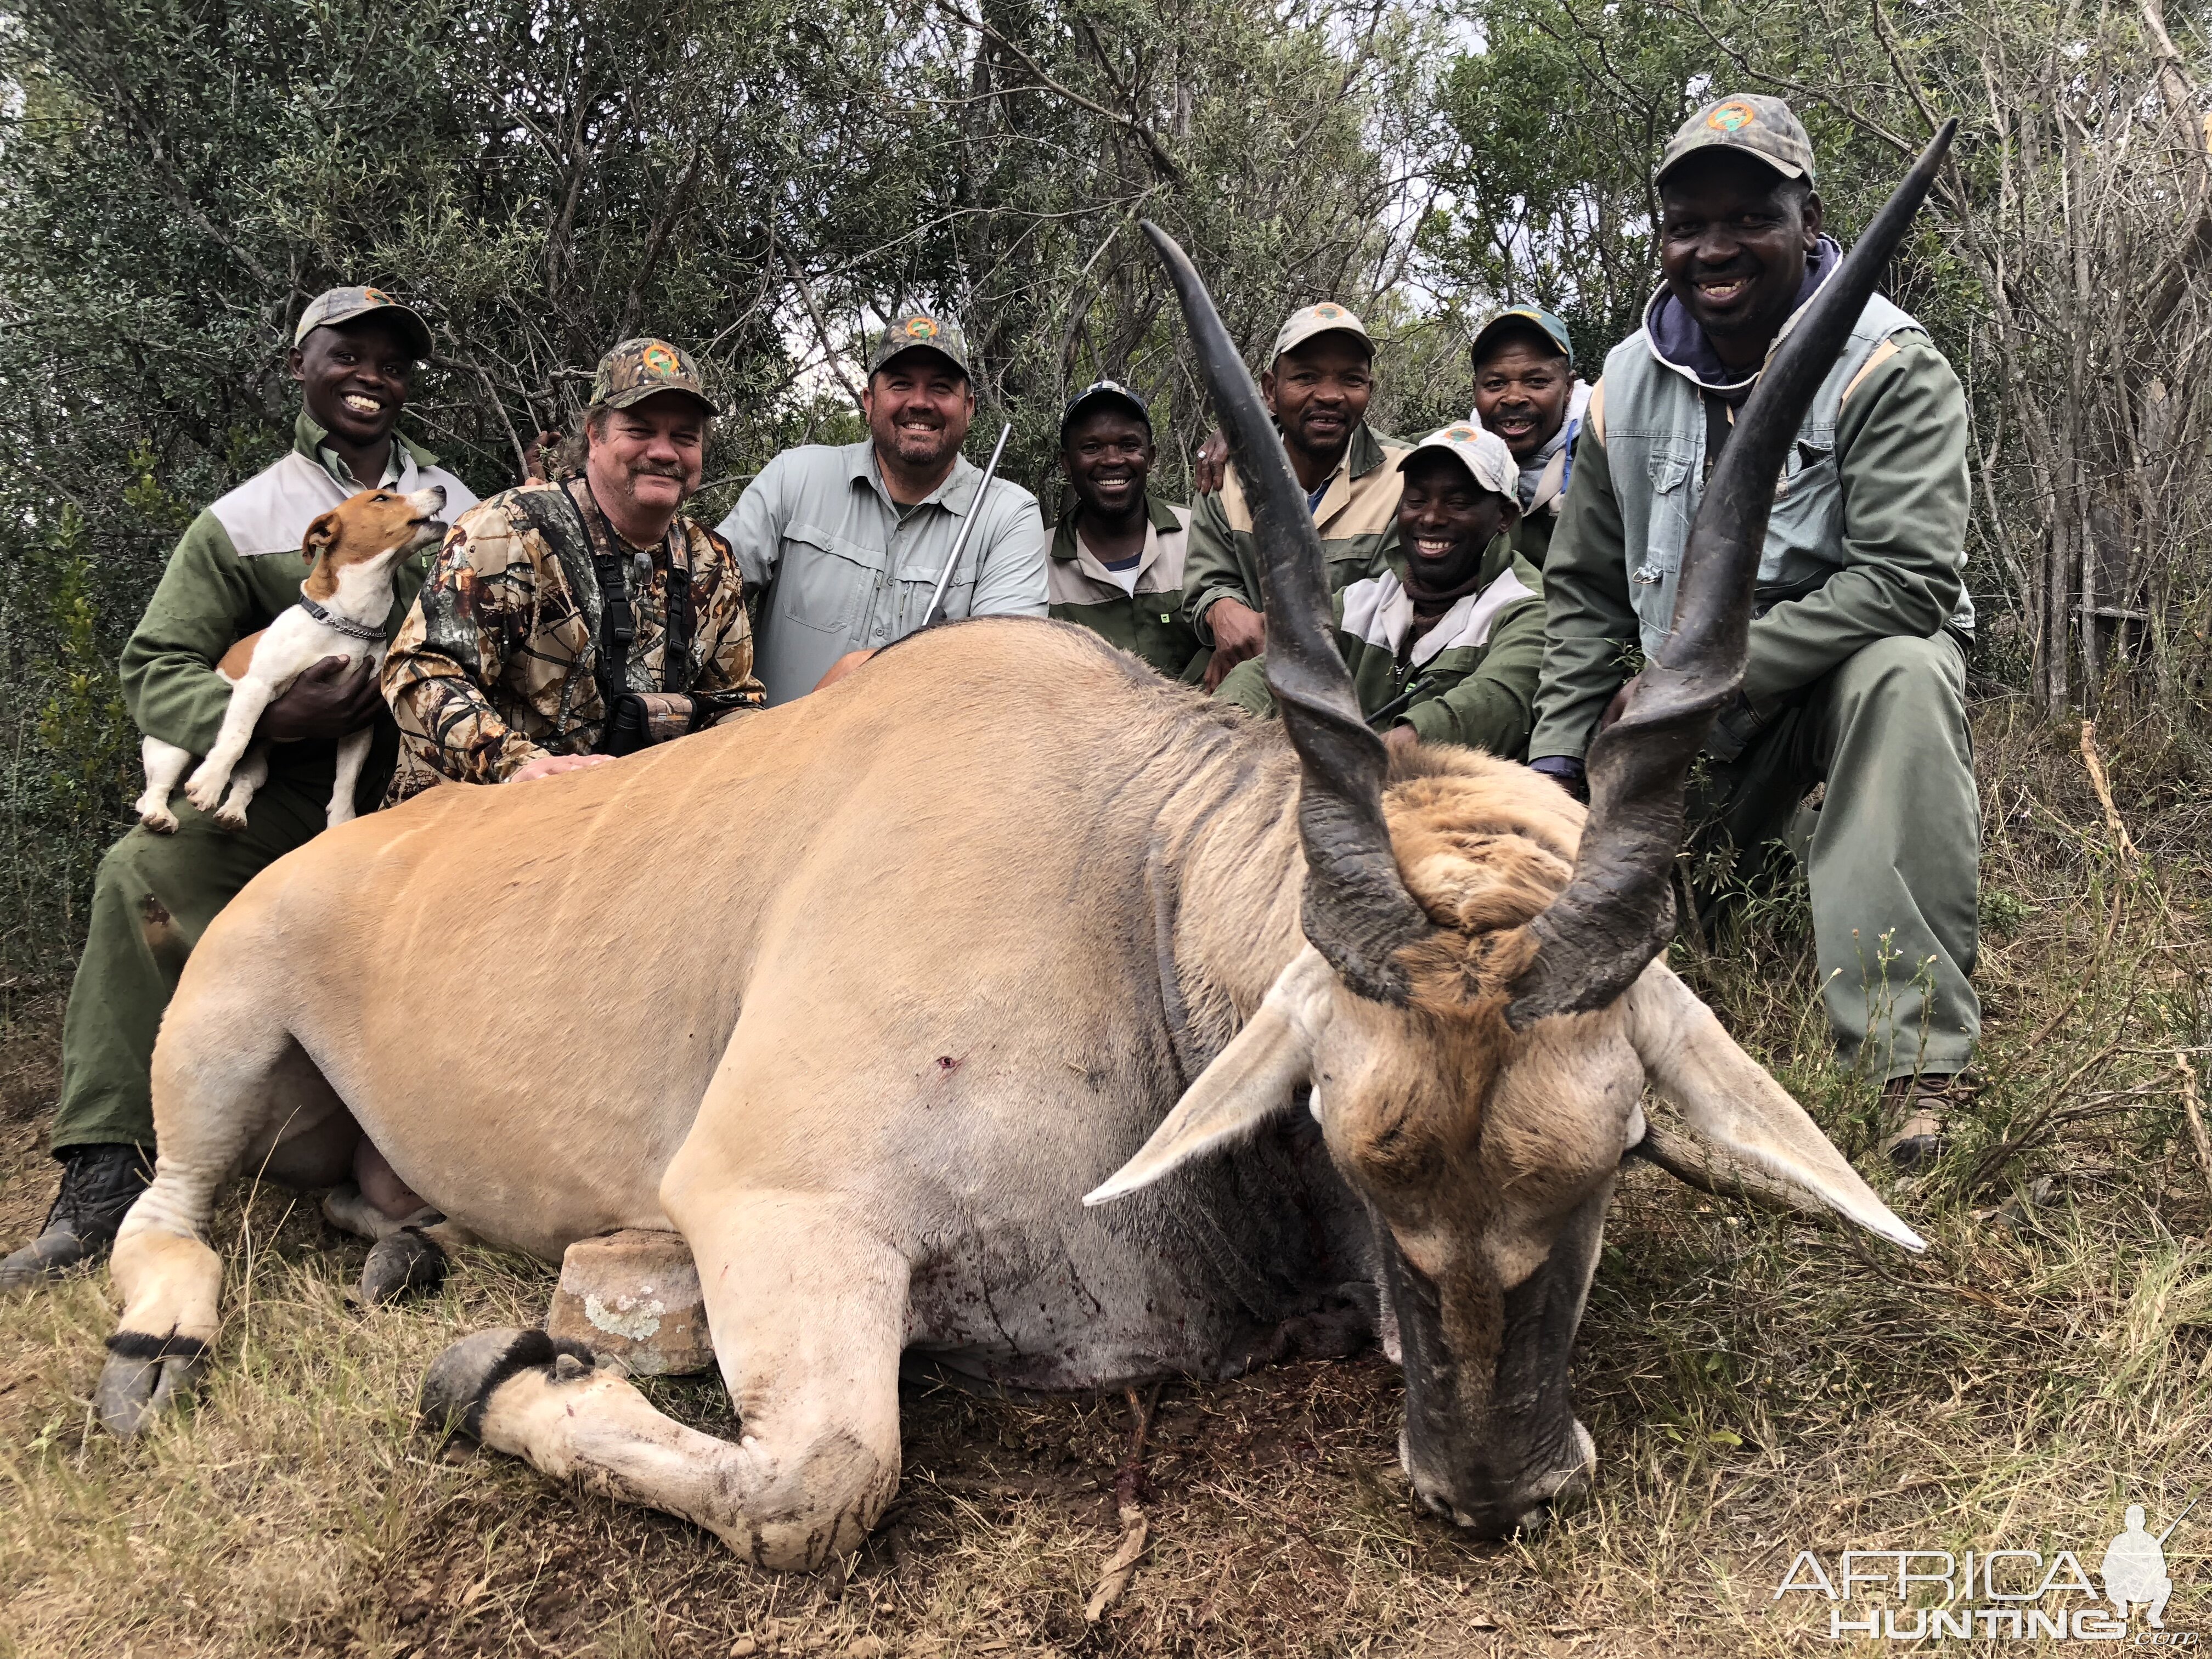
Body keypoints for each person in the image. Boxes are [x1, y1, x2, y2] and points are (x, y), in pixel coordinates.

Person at [1527, 93, 1981, 1165]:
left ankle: (1911, 1067)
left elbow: (1909, 580)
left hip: (1800, 707)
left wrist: (1722, 674)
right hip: (1677, 736)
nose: (1714, 248)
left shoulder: (1887, 364)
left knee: (1906, 672)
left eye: (1749, 218)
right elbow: (1587, 593)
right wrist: (1557, 762)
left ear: (1809, 215)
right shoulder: (1622, 385)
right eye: (1688, 224)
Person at [1, 286, 479, 1289]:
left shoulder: (457, 502)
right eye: (349, 354)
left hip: (430, 793)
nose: (372, 376)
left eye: (393, 362)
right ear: (301, 367)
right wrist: (275, 719)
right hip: (284, 795)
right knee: (146, 871)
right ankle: (103, 1178)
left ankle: (463, 1174)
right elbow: (156, 666)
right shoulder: (245, 518)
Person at [384, 337, 763, 785]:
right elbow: (420, 671)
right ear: (595, 437)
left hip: (636, 821)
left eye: (685, 437)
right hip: (477, 818)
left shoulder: (711, 559)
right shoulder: (510, 528)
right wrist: (516, 764)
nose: (664, 452)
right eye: (639, 431)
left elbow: (733, 702)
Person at [714, 313, 1047, 705]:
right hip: (777, 760)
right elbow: (704, 607)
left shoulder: (1009, 516)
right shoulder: (795, 477)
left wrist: (875, 667)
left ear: (969, 407)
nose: (920, 402)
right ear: (869, 401)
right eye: (901, 385)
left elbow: (1006, 670)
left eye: (941, 388)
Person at [1215, 425, 1543, 758]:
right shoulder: (1363, 600)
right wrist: (1222, 732)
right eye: (1416, 500)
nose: (1430, 518)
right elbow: (1274, 668)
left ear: (1505, 516)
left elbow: (1497, 700)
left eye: (1457, 503)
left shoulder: (1528, 609)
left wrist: (1380, 752)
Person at [1182, 303, 1410, 690]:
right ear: (1271, 390)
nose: (1329, 395)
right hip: (1244, 687)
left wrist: (1273, 637)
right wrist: (1221, 609)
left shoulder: (1406, 478)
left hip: (1357, 694)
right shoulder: (1228, 472)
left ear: (1369, 390)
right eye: (1306, 377)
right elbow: (1207, 583)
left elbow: (1387, 609)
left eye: (1351, 380)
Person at [1046, 380, 1205, 681]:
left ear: (1151, 456)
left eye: (1129, 445)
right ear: (1067, 463)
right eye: (1092, 447)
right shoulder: (1037, 560)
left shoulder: (1198, 534)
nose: (1112, 460)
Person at [1468, 306, 1591, 567]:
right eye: (1495, 384)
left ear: (1568, 388)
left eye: (1536, 382)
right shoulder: (1453, 454)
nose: (1513, 398)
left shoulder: (1606, 457)